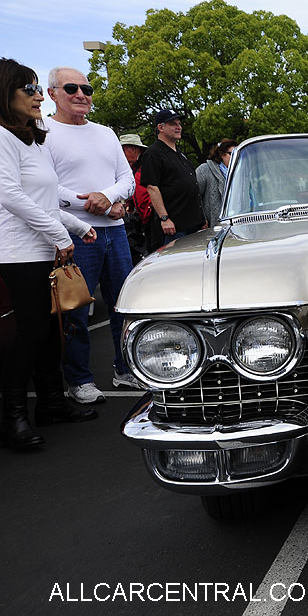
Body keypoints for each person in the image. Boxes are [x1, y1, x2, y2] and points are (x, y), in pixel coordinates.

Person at [0, 58, 98, 449]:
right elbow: (10, 195)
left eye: (39, 87)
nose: (39, 95)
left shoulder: (32, 140)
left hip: (44, 248)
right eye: (29, 89)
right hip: (19, 252)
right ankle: (12, 418)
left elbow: (45, 200)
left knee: (50, 332)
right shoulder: (2, 137)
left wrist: (77, 226)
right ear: (5, 93)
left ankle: (52, 403)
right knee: (32, 332)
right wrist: (60, 233)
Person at [44, 66, 139, 404]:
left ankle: (126, 369)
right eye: (71, 88)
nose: (81, 95)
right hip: (74, 234)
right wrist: (95, 204)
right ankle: (79, 380)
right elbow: (45, 186)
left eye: (87, 89)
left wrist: (108, 198)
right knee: (76, 311)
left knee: (124, 306)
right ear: (53, 93)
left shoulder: (105, 132)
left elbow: (127, 179)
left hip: (115, 233)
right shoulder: (43, 132)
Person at [139, 109, 205, 250]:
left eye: (179, 123)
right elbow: (152, 187)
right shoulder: (152, 154)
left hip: (194, 224)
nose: (178, 127)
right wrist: (164, 218)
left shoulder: (180, 154)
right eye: (173, 124)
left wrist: (201, 218)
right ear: (160, 127)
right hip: (174, 227)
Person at [119, 133, 152, 263]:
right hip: (144, 220)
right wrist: (130, 203)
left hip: (153, 219)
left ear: (132, 149)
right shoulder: (132, 168)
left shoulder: (147, 165)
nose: (121, 155)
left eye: (123, 150)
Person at [196, 138, 237, 227]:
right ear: (221, 154)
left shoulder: (239, 173)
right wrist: (201, 219)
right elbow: (194, 196)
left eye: (237, 155)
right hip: (212, 227)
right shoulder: (204, 169)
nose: (235, 157)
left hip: (235, 224)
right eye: (232, 154)